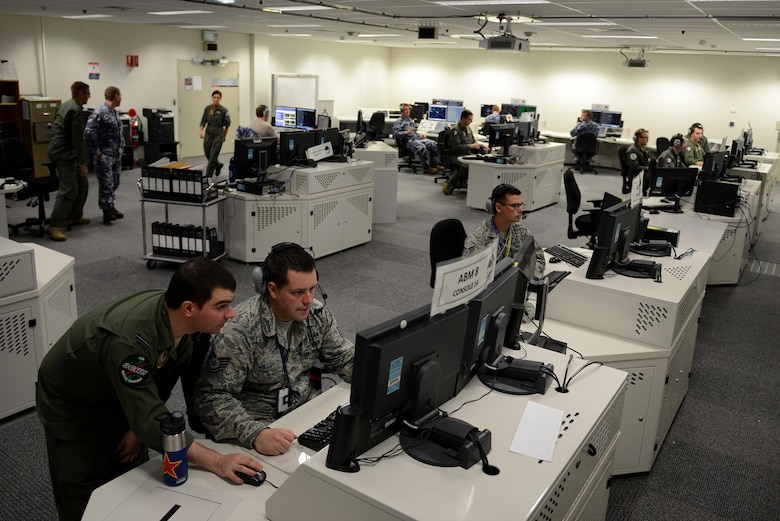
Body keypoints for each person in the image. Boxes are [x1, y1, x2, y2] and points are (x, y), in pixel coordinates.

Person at [36, 257, 263, 521]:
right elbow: (150, 418)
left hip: (123, 387)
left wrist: (137, 430)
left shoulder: (182, 321)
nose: (231, 313)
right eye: (221, 305)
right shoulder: (129, 341)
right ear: (189, 307)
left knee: (133, 473)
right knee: (86, 491)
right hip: (74, 400)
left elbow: (161, 382)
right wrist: (216, 461)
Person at [194, 243, 354, 456]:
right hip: (259, 427)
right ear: (272, 289)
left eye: (312, 288)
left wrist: (380, 377)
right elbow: (211, 398)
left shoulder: (316, 314)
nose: (308, 300)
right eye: (297, 292)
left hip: (306, 412)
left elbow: (342, 356)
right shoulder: (240, 331)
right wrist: (255, 434)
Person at [463, 184, 546, 279]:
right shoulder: (478, 239)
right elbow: (472, 279)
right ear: (498, 208)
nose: (521, 210)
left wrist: (528, 279)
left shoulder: (521, 230)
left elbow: (538, 257)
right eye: (515, 206)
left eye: (521, 205)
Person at [46, 81, 91, 241]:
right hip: (63, 154)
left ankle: (74, 216)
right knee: (69, 189)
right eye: (87, 93)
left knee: (83, 184)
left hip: (68, 152)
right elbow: (77, 140)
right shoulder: (75, 110)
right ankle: (55, 225)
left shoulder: (66, 105)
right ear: (80, 94)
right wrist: (83, 163)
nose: (89, 97)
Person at [84, 85, 124, 225]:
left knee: (115, 181)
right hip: (104, 155)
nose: (122, 98)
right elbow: (88, 132)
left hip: (115, 154)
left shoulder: (114, 112)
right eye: (120, 95)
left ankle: (111, 206)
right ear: (115, 96)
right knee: (106, 184)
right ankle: (106, 212)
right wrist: (96, 151)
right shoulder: (100, 112)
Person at [442, 109, 488, 195]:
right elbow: (456, 147)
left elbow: (473, 142)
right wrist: (470, 146)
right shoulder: (455, 131)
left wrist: (482, 145)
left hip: (467, 154)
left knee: (481, 161)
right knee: (464, 166)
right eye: (469, 119)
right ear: (463, 118)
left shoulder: (468, 129)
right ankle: (449, 183)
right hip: (456, 156)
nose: (471, 121)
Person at [392, 103, 442, 175]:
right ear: (402, 111)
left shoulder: (410, 120)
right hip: (408, 142)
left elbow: (414, 132)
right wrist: (406, 132)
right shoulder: (398, 122)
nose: (408, 111)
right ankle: (426, 168)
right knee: (422, 147)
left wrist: (420, 135)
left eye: (408, 109)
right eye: (405, 109)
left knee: (433, 144)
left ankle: (434, 164)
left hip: (416, 139)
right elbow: (396, 134)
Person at [199, 89, 231, 178]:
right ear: (212, 98)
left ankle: (208, 176)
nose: (216, 99)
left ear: (220, 99)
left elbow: (227, 125)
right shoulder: (207, 109)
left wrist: (224, 136)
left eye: (218, 97)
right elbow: (203, 122)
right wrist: (201, 131)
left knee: (213, 156)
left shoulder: (224, 110)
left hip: (218, 134)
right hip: (208, 133)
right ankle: (218, 165)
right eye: (214, 97)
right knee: (207, 153)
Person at [625, 128, 655, 195]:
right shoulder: (633, 150)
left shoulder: (644, 148)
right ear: (637, 138)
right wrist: (647, 168)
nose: (648, 140)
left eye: (647, 137)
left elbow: (649, 158)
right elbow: (634, 167)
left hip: (644, 172)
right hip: (636, 174)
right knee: (654, 177)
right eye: (645, 137)